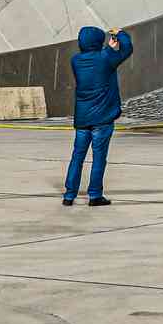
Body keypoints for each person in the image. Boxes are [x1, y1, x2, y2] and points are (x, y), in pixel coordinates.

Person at [63, 25, 134, 206]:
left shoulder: (75, 60)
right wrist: (120, 34)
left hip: (82, 118)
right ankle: (94, 195)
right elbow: (127, 49)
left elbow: (95, 62)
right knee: (99, 158)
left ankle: (69, 195)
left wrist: (108, 50)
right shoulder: (105, 58)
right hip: (102, 118)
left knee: (77, 157)